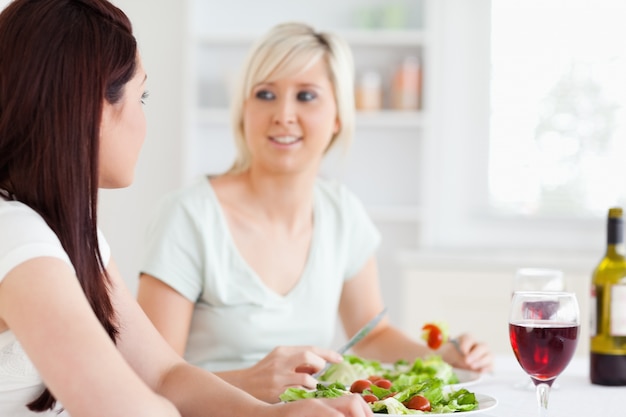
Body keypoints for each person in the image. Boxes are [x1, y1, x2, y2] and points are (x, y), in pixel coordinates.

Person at [0, 2, 373, 417]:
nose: (144, 120)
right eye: (141, 95)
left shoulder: (71, 236)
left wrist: (274, 414)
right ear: (91, 107)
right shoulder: (17, 235)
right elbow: (133, 410)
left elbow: (162, 375)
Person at [137, 22, 494, 404]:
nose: (283, 114)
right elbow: (151, 377)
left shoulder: (342, 213)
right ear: (244, 110)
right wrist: (247, 381)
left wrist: (444, 359)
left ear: (338, 115)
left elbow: (371, 334)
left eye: (306, 96)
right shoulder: (188, 217)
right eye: (265, 94)